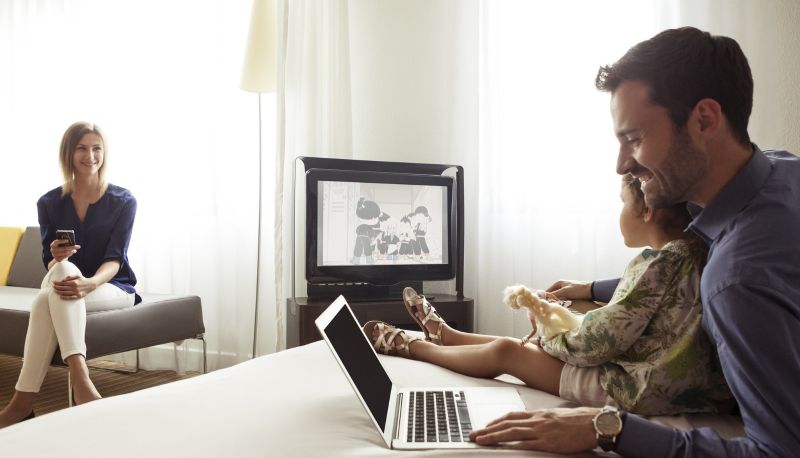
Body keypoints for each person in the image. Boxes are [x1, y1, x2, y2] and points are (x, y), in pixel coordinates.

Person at [468, 27, 800, 457]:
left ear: (704, 120)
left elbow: (779, 452)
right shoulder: (781, 171)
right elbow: (671, 274)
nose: (621, 164)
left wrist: (610, 428)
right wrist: (591, 288)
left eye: (634, 139)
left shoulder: (736, 280)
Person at [362, 173, 733, 417]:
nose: (620, 211)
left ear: (647, 211)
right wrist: (576, 305)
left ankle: (414, 347)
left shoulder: (655, 264)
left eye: (622, 202)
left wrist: (544, 328)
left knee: (509, 352)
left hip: (636, 389)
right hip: (675, 381)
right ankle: (447, 335)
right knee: (554, 327)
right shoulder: (696, 254)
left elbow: (593, 344)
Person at [0, 121, 139, 428]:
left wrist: (90, 284)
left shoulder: (123, 201)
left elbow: (115, 259)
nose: (90, 156)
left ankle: (23, 404)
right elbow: (50, 263)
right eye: (82, 148)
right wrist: (57, 258)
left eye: (96, 148)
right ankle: (81, 379)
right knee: (61, 272)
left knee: (44, 301)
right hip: (64, 285)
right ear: (68, 153)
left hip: (111, 286)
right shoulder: (49, 202)